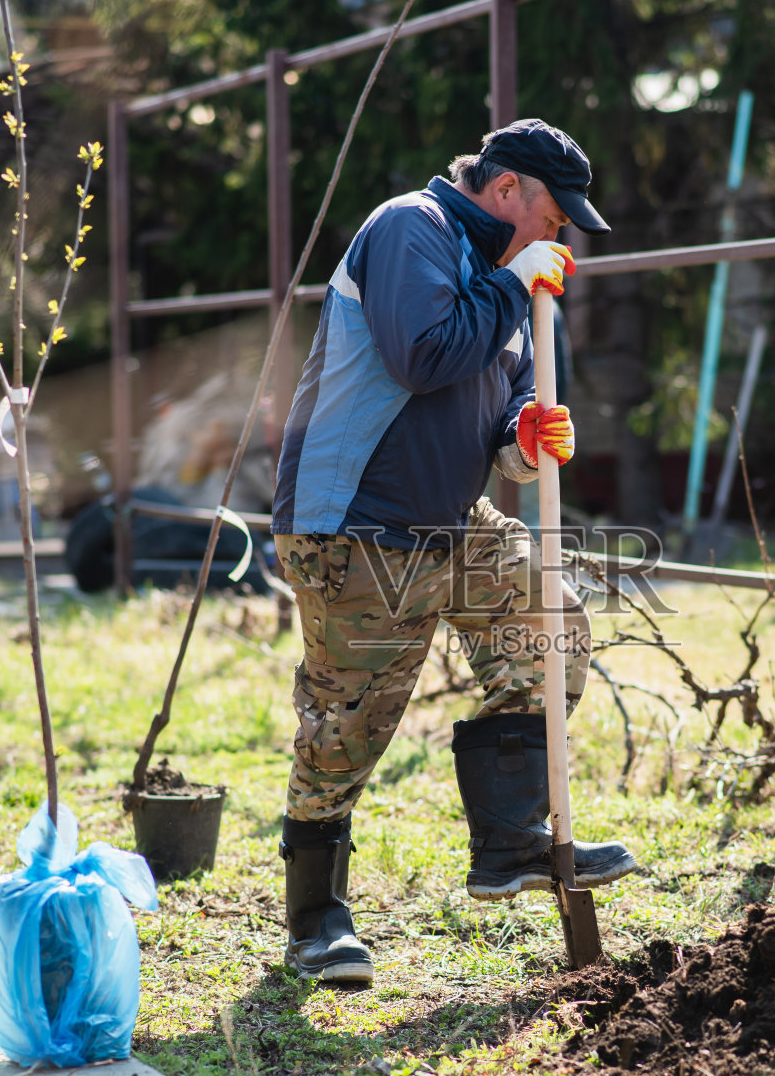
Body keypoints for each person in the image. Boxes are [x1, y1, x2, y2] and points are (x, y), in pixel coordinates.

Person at [271, 118, 636, 988]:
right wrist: (512, 280)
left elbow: (502, 409)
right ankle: (316, 921)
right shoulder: (412, 231)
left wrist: (526, 435)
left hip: (447, 516)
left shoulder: (522, 292)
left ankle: (509, 845)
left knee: (547, 621)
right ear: (505, 189)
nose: (556, 237)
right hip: (352, 519)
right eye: (552, 215)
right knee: (349, 724)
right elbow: (425, 355)